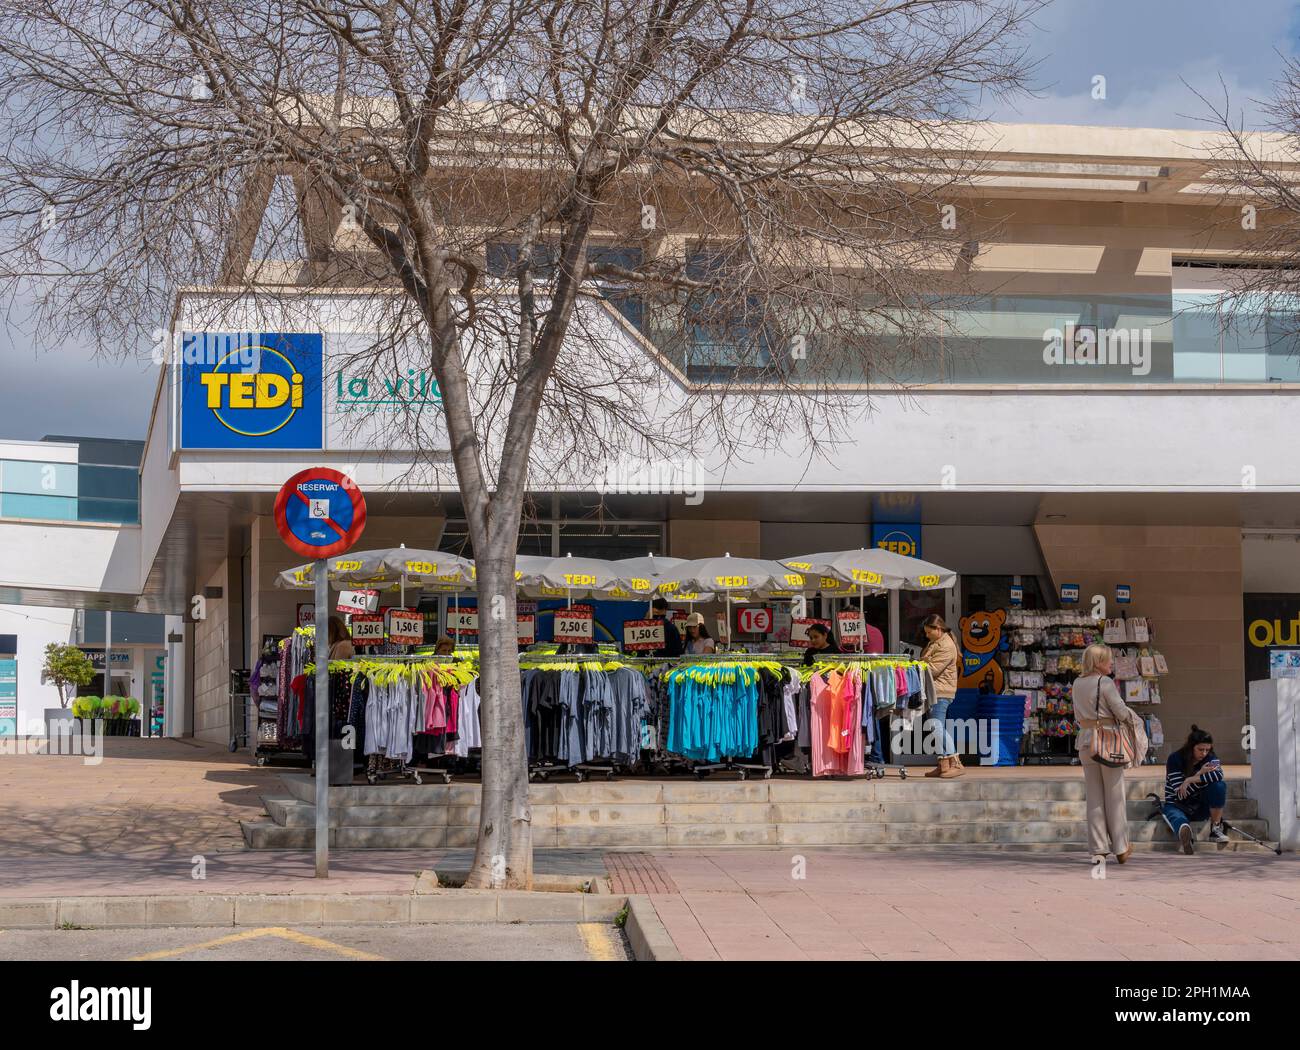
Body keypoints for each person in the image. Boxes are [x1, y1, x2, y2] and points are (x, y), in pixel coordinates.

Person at [1073, 642, 1142, 867]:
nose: (1112, 663)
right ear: (1099, 662)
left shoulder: (1077, 683)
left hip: (1085, 740)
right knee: (1115, 796)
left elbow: (1077, 715)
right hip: (1108, 740)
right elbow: (1121, 712)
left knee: (1093, 797)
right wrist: (1133, 719)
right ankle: (1121, 848)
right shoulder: (1106, 682)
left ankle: (1098, 849)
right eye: (1109, 659)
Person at [1162, 726, 1228, 854]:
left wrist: (1190, 780)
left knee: (1219, 785)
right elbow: (1181, 794)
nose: (1204, 753)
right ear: (1191, 747)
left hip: (1200, 805)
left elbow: (1218, 775)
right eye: (1200, 749)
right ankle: (1185, 834)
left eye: (1207, 750)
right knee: (1176, 816)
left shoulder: (1210, 757)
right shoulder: (1175, 759)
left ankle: (1215, 829)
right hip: (1177, 804)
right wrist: (1201, 774)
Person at [919, 613, 962, 779]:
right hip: (934, 690)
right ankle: (943, 764)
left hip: (941, 692)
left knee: (937, 727)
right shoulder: (935, 642)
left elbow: (933, 669)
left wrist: (918, 664)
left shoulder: (946, 646)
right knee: (934, 727)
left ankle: (956, 762)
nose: (926, 635)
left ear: (938, 629)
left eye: (929, 632)